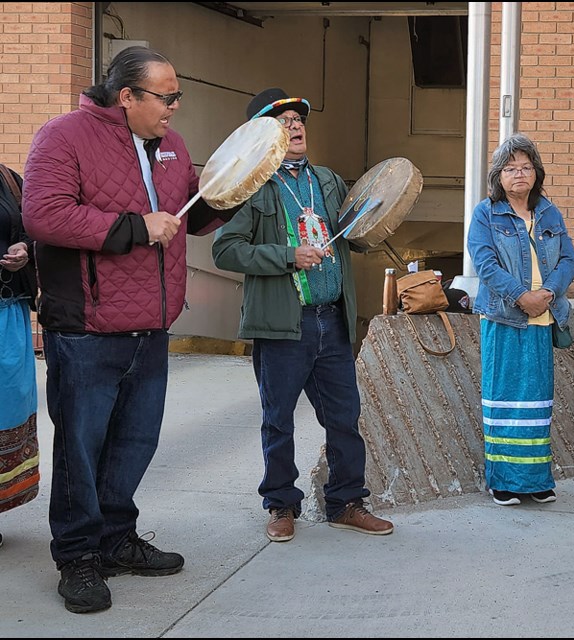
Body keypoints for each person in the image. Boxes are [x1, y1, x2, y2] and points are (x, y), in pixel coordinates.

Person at [21, 46, 238, 614]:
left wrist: (234, 191)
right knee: (81, 449)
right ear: (127, 96)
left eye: (177, 96)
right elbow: (42, 214)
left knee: (135, 444)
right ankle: (78, 557)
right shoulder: (64, 136)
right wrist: (134, 227)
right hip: (86, 328)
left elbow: (193, 213)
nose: (175, 106)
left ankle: (116, 539)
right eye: (166, 96)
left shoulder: (172, 145)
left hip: (151, 325)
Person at [212, 88, 394, 541]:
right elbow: (225, 250)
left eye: (298, 119)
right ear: (260, 135)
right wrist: (288, 255)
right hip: (282, 325)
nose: (295, 126)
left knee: (344, 416)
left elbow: (357, 232)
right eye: (282, 121)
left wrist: (384, 210)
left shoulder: (328, 180)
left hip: (330, 319)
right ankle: (280, 504)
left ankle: (346, 502)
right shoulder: (251, 186)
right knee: (278, 418)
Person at [467, 133, 574, 505]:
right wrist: (521, 296)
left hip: (543, 317)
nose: (519, 174)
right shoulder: (486, 213)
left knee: (537, 400)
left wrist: (546, 295)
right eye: (511, 168)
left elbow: (568, 260)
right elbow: (485, 264)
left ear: (537, 173)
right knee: (504, 399)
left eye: (526, 167)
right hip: (502, 318)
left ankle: (535, 480)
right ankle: (503, 482)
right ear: (499, 175)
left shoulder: (549, 212)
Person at [0, 163, 39, 550]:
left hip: (8, 312)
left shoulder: (9, 180)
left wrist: (25, 247)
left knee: (8, 411)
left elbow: (34, 223)